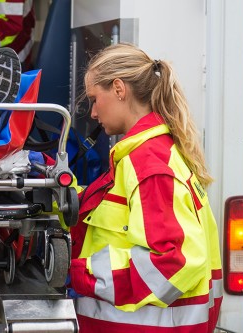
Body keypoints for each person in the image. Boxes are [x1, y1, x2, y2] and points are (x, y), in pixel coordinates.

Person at [64, 43, 223, 332]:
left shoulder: (148, 164)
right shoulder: (149, 154)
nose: (94, 113)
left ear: (119, 89)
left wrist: (79, 273)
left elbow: (169, 262)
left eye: (95, 100)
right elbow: (113, 213)